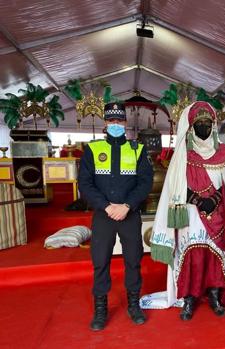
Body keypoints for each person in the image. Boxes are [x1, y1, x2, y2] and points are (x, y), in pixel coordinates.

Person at [140, 101, 225, 321]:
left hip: (216, 214)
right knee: (192, 256)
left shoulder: (223, 153)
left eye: (208, 123)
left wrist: (214, 199)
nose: (204, 127)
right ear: (191, 126)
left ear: (213, 126)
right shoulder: (181, 156)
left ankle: (214, 295)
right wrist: (196, 199)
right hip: (189, 213)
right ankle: (188, 298)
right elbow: (172, 188)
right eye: (199, 123)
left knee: (215, 256)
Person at [78, 102, 153, 331]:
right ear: (105, 123)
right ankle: (101, 309)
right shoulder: (92, 149)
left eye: (119, 121)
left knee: (133, 260)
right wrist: (107, 207)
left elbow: (145, 182)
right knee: (100, 262)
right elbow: (85, 183)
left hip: (130, 215)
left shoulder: (137, 149)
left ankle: (133, 304)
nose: (116, 124)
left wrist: (128, 205)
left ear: (125, 123)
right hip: (104, 215)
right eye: (111, 121)